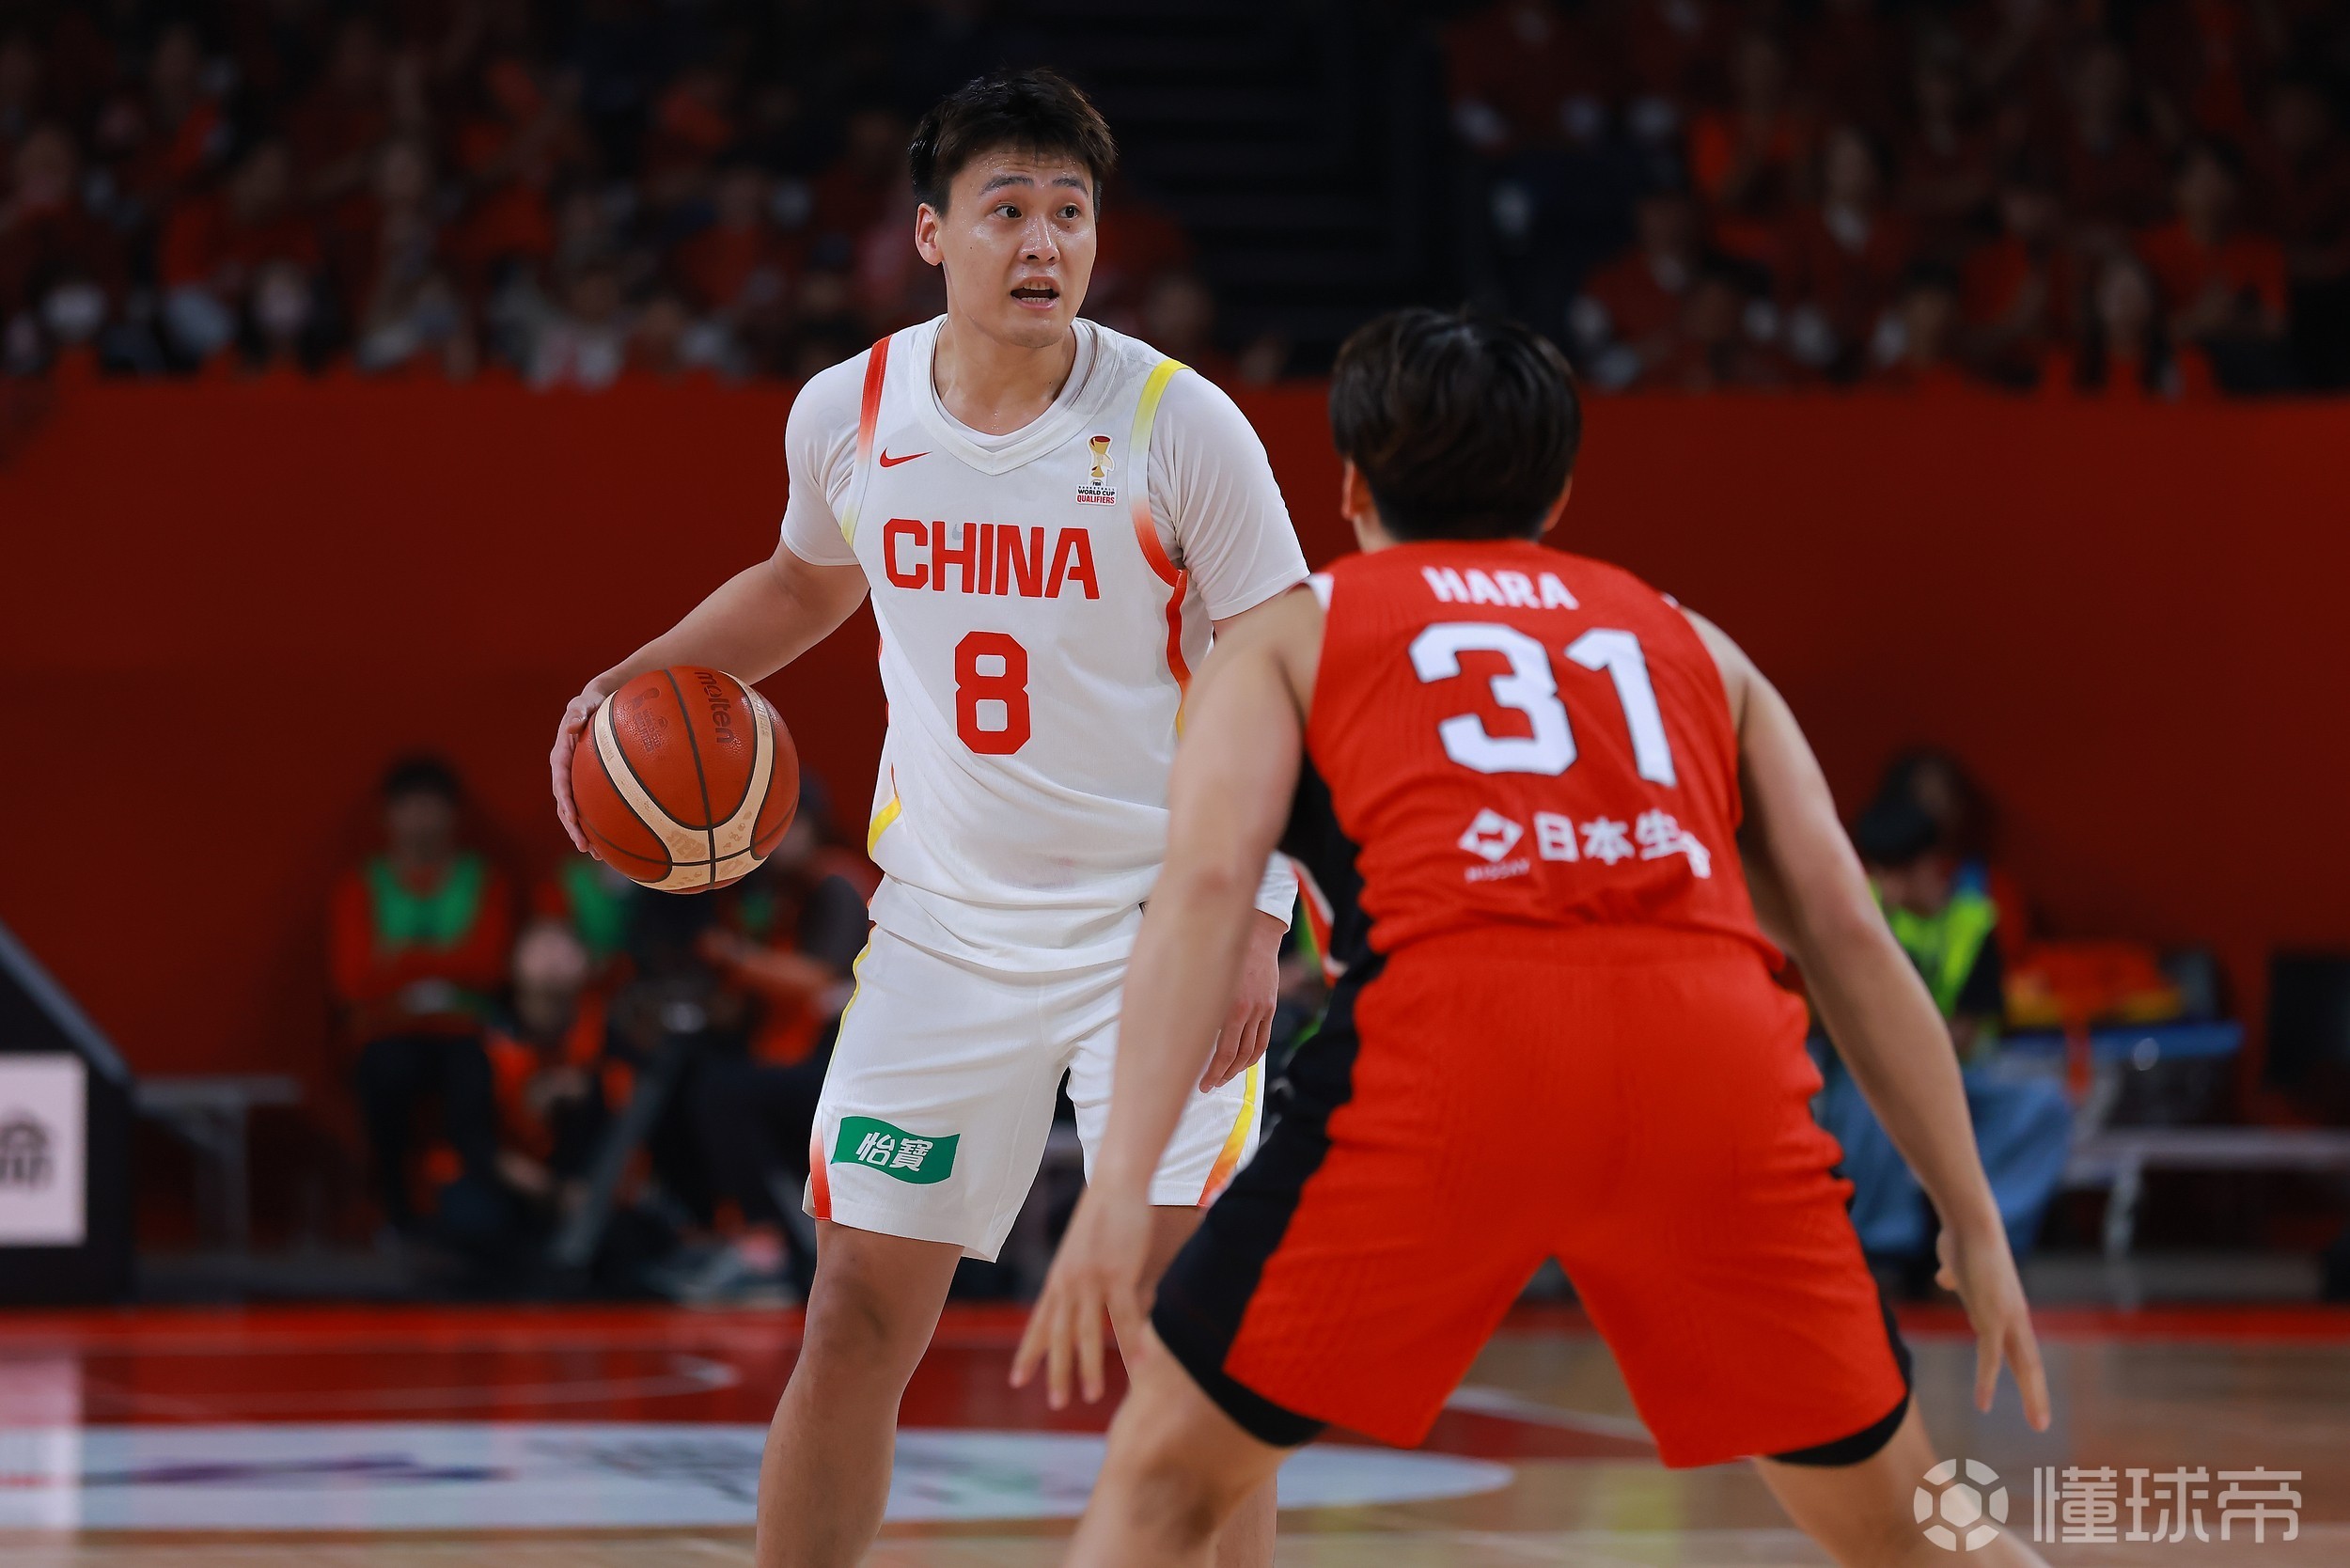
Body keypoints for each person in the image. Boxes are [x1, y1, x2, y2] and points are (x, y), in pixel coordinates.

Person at [1014, 307, 2052, 1568]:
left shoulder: (1291, 633)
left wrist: (1119, 1187)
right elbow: (1845, 930)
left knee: (1164, 1487)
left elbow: (1207, 889)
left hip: (1453, 1057)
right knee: (1907, 1528)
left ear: (1352, 486)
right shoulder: (1693, 643)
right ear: (1558, 494)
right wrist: (1971, 1217)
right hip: (1710, 1066)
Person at [546, 68, 1305, 1568]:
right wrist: (624, 687)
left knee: (1183, 1340)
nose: (1044, 242)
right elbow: (803, 585)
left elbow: (1288, 669)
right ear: (931, 234)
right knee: (851, 1317)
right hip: (946, 933)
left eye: (1070, 213)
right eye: (1007, 210)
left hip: (1162, 928)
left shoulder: (1182, 424)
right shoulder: (851, 410)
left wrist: (1263, 917)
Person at [330, 754, 513, 1241]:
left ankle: (476, 1217)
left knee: (477, 1086)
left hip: (464, 1033)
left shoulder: (482, 878)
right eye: (409, 807)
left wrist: (399, 963)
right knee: (384, 1079)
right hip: (385, 1033)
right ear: (387, 816)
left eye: (432, 807)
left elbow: (488, 968)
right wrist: (447, 965)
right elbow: (353, 981)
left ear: (453, 815)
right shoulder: (362, 884)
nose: (421, 820)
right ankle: (394, 1214)